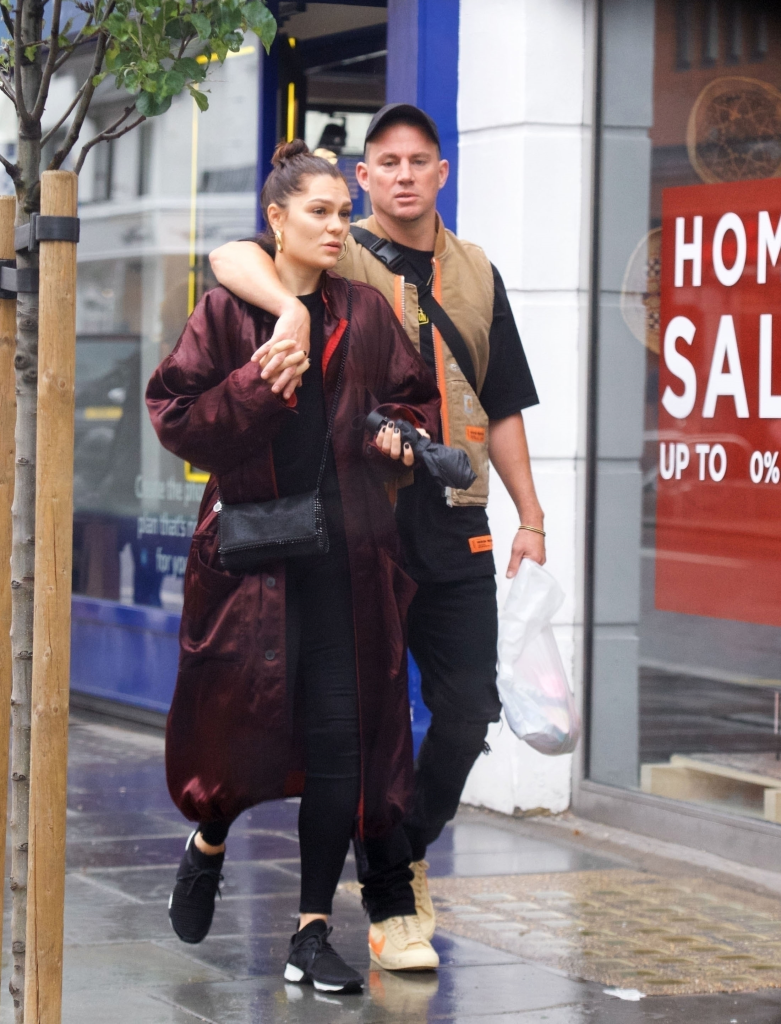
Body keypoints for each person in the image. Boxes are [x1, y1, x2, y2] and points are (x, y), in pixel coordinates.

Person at [208, 104, 546, 970]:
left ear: (441, 172)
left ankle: (399, 846)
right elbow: (230, 256)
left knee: (467, 708)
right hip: (368, 520)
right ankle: (393, 904)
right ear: (363, 178)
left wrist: (531, 516)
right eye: (385, 162)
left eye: (417, 160)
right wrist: (288, 313)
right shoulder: (341, 248)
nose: (402, 174)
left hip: (457, 516)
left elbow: (503, 402)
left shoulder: (476, 271)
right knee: (372, 718)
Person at [146, 140, 442, 993]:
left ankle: (310, 933)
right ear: (276, 219)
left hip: (348, 565)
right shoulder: (227, 313)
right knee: (236, 735)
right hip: (249, 570)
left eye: (342, 212)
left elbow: (412, 399)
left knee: (341, 744)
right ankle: (208, 842)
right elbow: (175, 417)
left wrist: (397, 435)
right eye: (319, 212)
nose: (336, 226)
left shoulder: (366, 311)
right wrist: (258, 385)